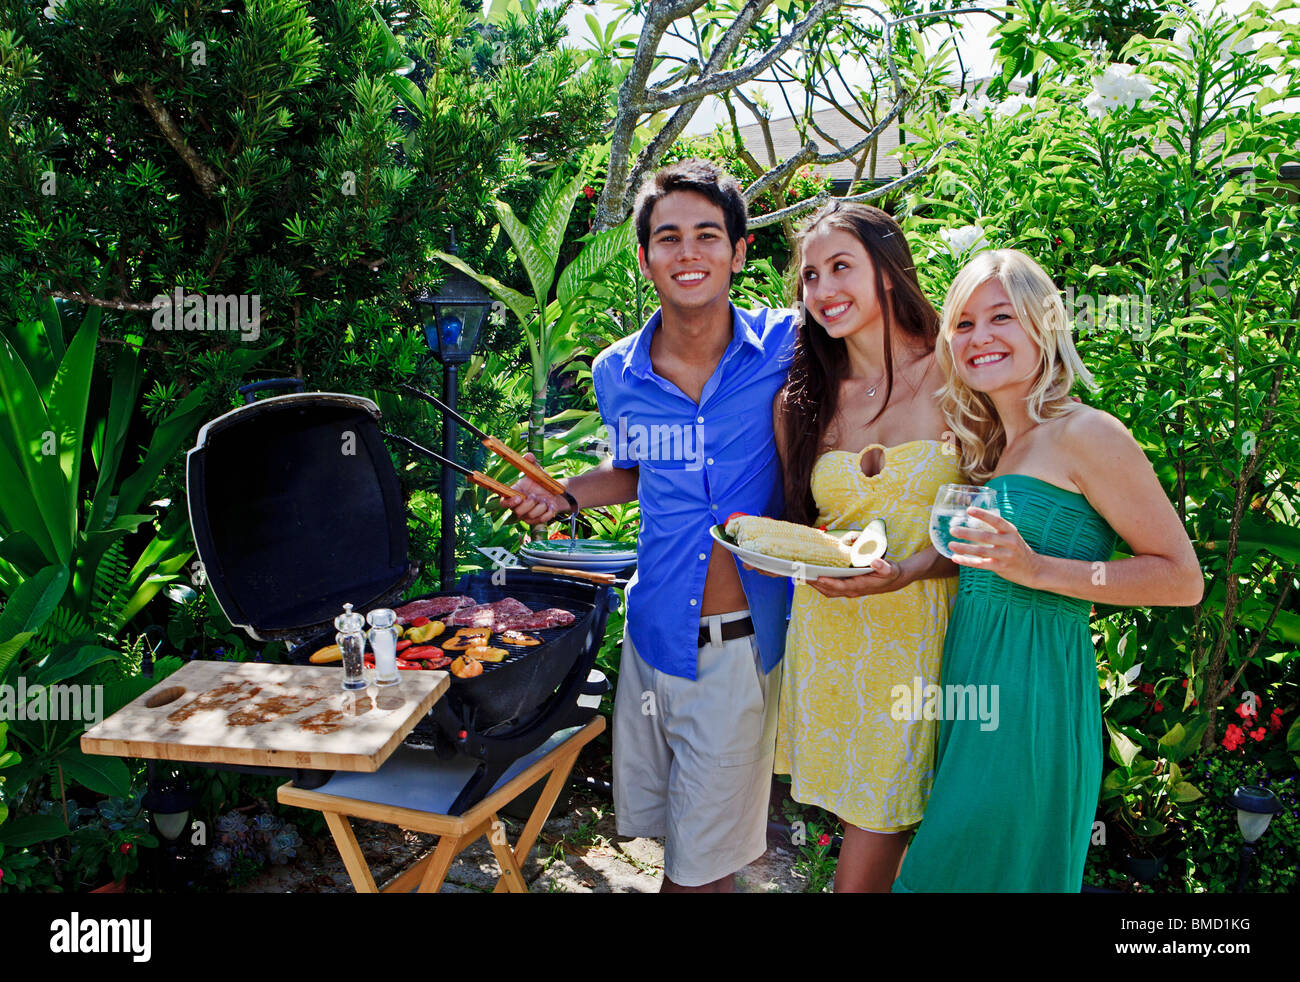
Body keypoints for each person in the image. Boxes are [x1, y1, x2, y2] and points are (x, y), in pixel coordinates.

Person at [501, 159, 797, 892]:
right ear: (644, 257)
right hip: (654, 639)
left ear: (739, 250)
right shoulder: (616, 372)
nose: (687, 253)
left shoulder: (790, 347)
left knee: (700, 873)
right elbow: (637, 472)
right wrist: (566, 495)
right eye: (668, 238)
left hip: (739, 646)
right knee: (681, 846)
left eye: (707, 234)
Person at [892, 249, 1203, 892]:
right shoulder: (999, 447)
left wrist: (1038, 569)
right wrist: (901, 570)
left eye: (1000, 317)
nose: (980, 337)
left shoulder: (1088, 433)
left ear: (1044, 323)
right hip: (972, 692)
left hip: (1032, 701)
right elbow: (982, 573)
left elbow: (1181, 578)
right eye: (965, 323)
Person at [770, 201, 963, 892]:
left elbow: (993, 522)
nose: (822, 291)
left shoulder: (961, 375)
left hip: (924, 642)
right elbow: (802, 525)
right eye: (811, 276)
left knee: (881, 843)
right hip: (833, 640)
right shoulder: (804, 398)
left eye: (841, 267)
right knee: (871, 833)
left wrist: (910, 568)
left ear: (888, 272)